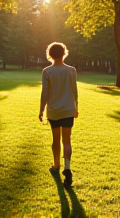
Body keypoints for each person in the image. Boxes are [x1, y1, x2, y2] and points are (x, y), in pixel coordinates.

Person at [39, 42, 78, 189]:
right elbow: (75, 91)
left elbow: (45, 93)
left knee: (56, 140)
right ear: (64, 53)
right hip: (68, 109)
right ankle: (67, 167)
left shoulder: (47, 71)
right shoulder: (71, 70)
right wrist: (76, 108)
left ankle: (56, 165)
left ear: (50, 54)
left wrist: (41, 109)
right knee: (66, 140)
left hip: (54, 110)